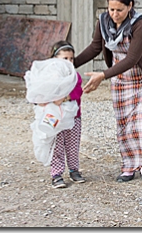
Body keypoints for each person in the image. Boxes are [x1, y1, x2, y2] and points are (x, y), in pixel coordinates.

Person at [74, 0, 142, 182]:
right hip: (121, 80)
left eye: (119, 10)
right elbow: (94, 47)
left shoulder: (140, 24)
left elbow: (133, 58)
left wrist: (103, 75)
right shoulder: (103, 22)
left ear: (130, 6)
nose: (114, 14)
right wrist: (70, 63)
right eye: (111, 9)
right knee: (125, 124)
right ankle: (129, 166)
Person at [46, 40, 86, 189]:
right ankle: (56, 174)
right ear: (55, 59)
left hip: (73, 117)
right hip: (54, 117)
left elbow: (77, 91)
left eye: (71, 59)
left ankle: (74, 170)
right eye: (65, 59)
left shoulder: (75, 76)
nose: (69, 62)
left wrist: (65, 97)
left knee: (72, 145)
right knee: (56, 146)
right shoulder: (49, 76)